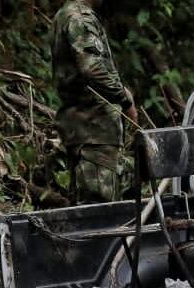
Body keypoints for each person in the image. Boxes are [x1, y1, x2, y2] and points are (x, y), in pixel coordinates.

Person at [52, 0, 137, 203]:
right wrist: (125, 99)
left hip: (85, 129)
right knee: (100, 211)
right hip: (94, 131)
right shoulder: (79, 18)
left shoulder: (66, 14)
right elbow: (92, 69)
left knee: (89, 211)